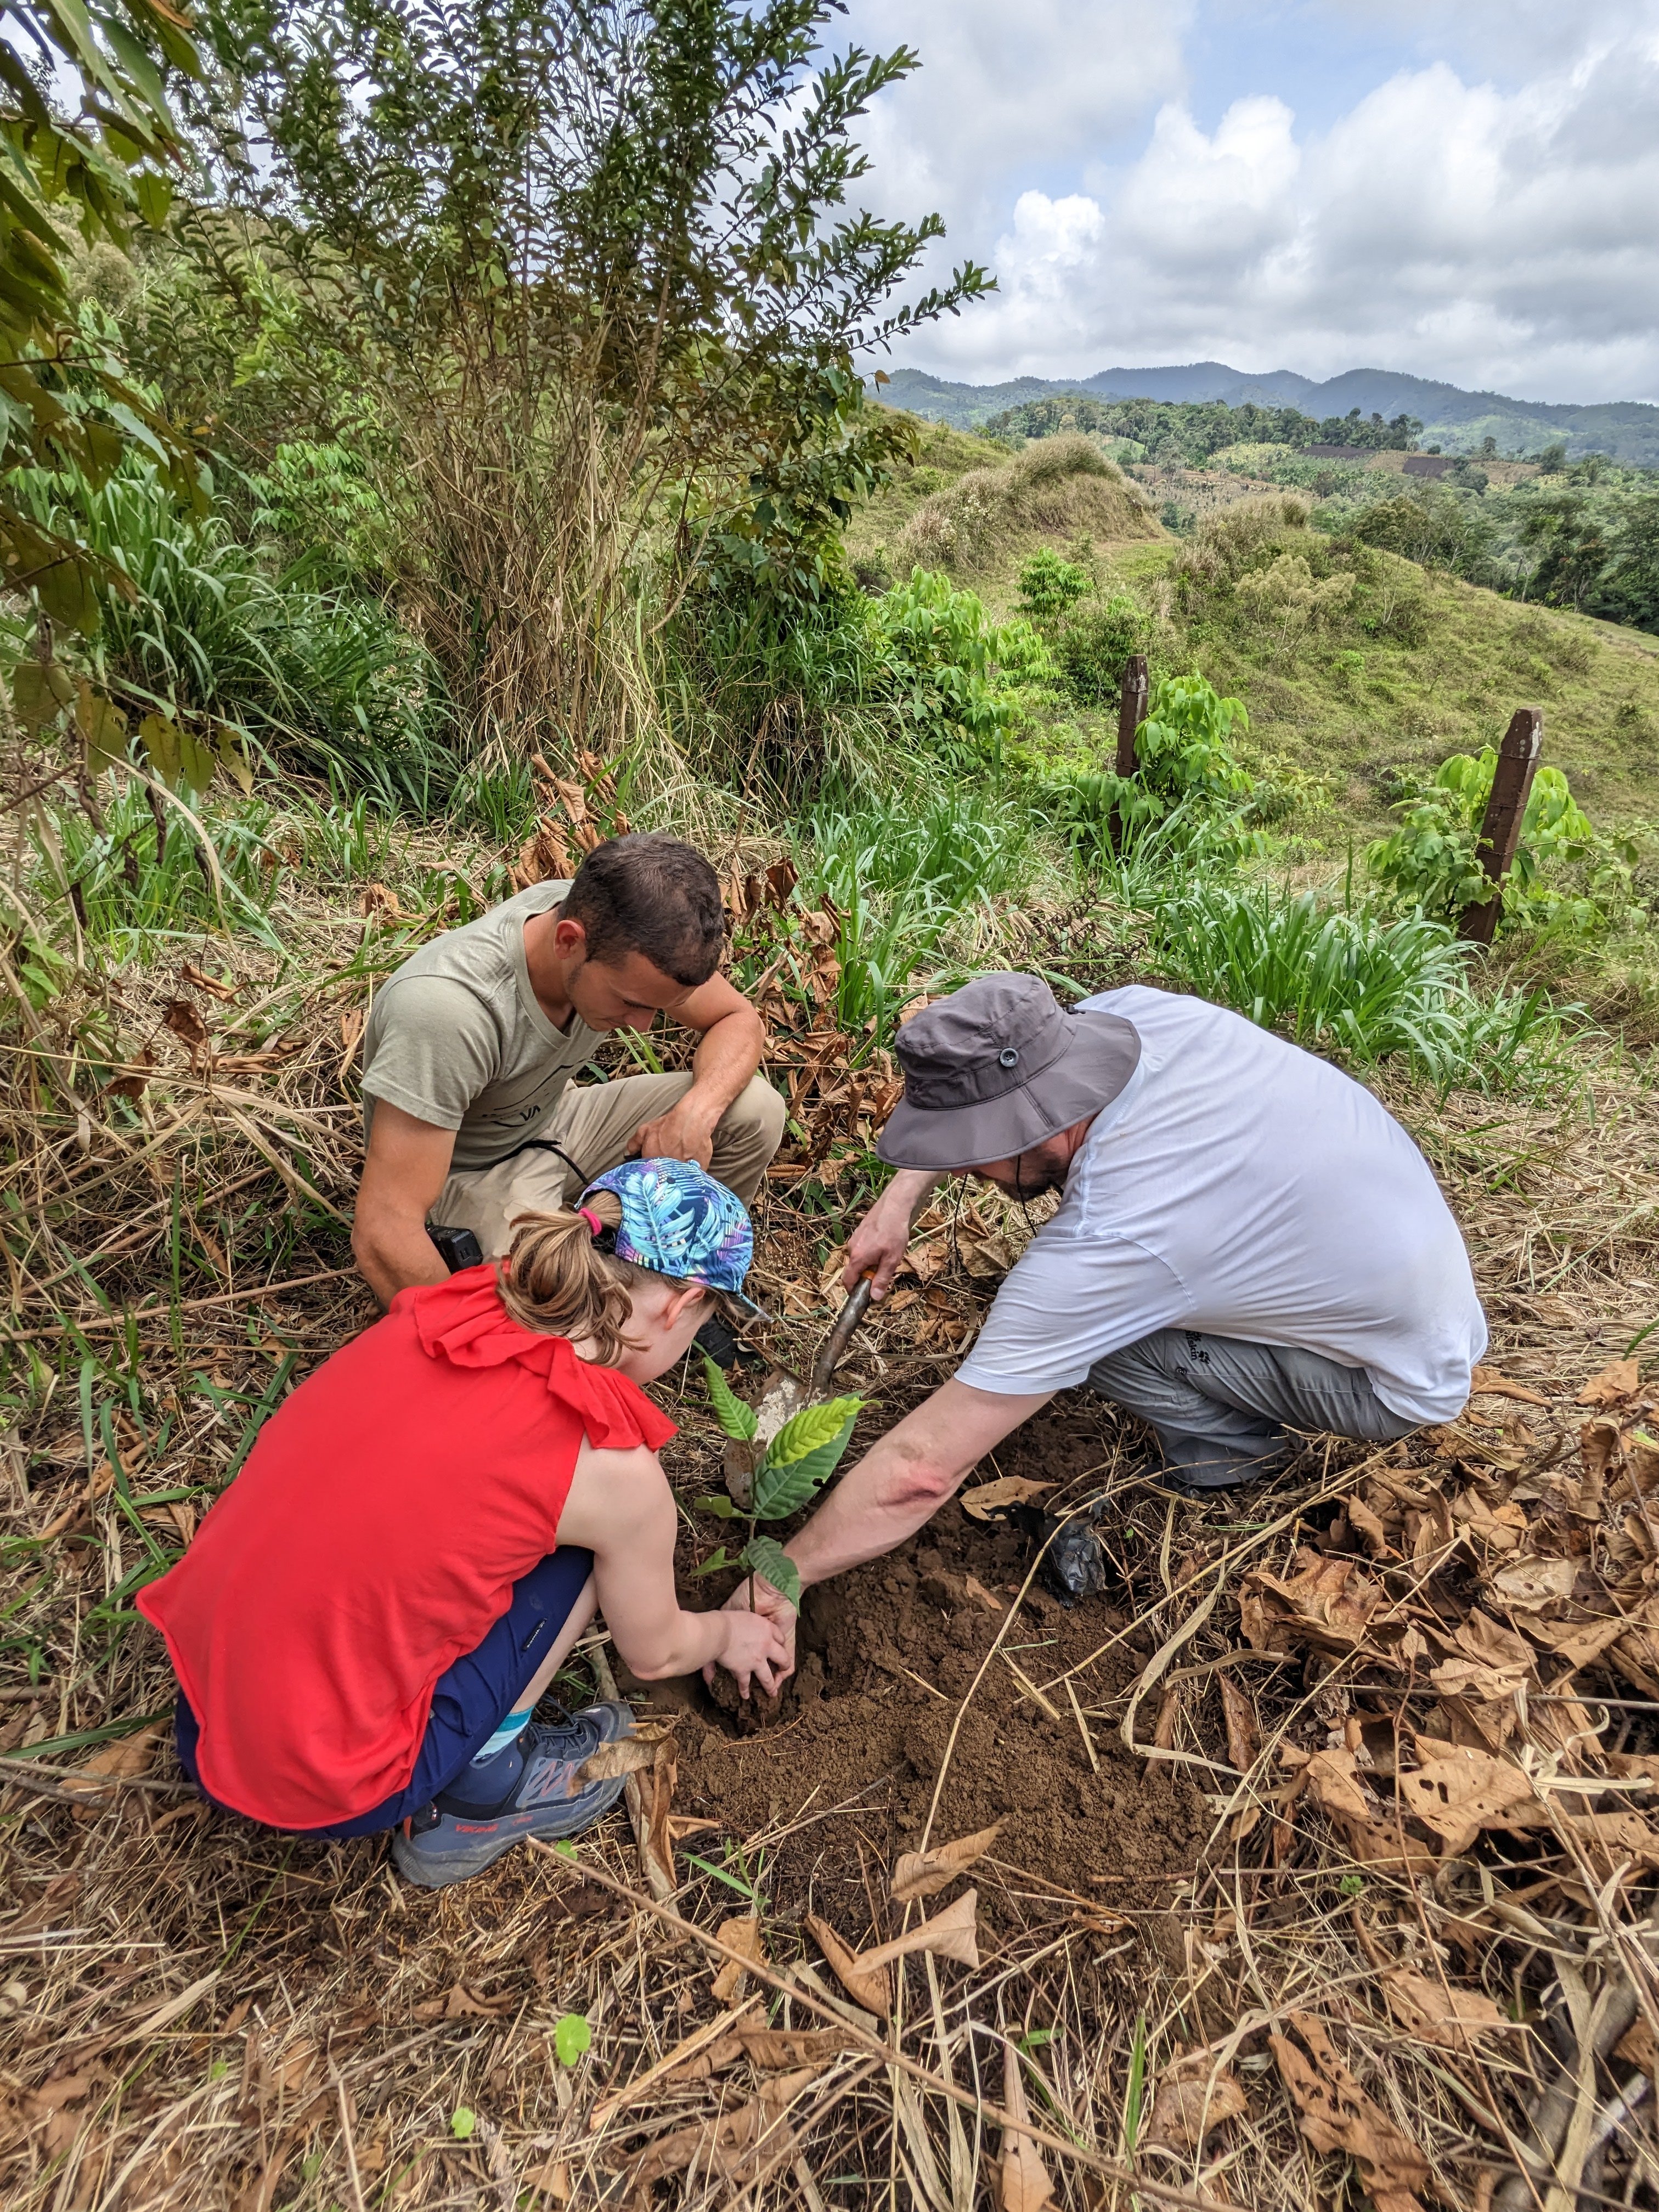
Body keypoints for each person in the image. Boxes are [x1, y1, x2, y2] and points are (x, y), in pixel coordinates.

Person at [718, 973, 1487, 1680]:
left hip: (1391, 1376)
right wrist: (896, 1202)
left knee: (1104, 1342)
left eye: (969, 1157)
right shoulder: (1125, 1018)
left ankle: (1232, 1456)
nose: (963, 1174)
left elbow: (923, 1469)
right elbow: (989, 1095)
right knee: (1084, 1316)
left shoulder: (1124, 1233)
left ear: (1025, 1130)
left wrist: (783, 1574)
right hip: (1392, 1264)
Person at [138, 1159, 788, 1890]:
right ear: (680, 1307)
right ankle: (484, 1790)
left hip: (208, 1699)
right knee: (587, 1557)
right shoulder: (612, 1471)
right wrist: (731, 1634)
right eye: (699, 1327)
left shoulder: (463, 1303)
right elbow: (655, 1653)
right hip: (326, 1780)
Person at [352, 832, 786, 1309]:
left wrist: (696, 1114)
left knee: (753, 1110)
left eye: (662, 1009)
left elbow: (738, 1018)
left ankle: (676, 1283)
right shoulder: (449, 1011)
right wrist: (461, 1347)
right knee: (550, 1293)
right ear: (568, 941)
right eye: (631, 1003)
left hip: (552, 1120)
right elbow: (385, 1231)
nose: (642, 1026)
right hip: (462, 1169)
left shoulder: (612, 925)